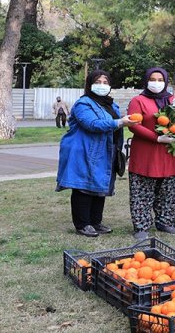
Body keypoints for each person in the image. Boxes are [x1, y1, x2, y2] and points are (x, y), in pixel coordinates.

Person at [56, 70, 138, 237]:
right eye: (98, 82)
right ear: (89, 84)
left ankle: (95, 221)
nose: (102, 85)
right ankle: (82, 224)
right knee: (84, 187)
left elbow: (112, 123)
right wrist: (120, 122)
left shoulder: (111, 105)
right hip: (86, 151)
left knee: (101, 185)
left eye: (105, 82)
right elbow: (92, 124)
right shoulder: (83, 104)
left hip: (107, 150)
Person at [127, 67, 175, 240]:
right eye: (153, 79)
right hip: (146, 153)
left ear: (166, 81)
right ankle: (141, 226)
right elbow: (134, 125)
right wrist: (157, 138)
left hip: (169, 154)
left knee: (169, 189)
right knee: (142, 190)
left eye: (160, 79)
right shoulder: (139, 101)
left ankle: (166, 222)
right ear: (146, 80)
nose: (157, 83)